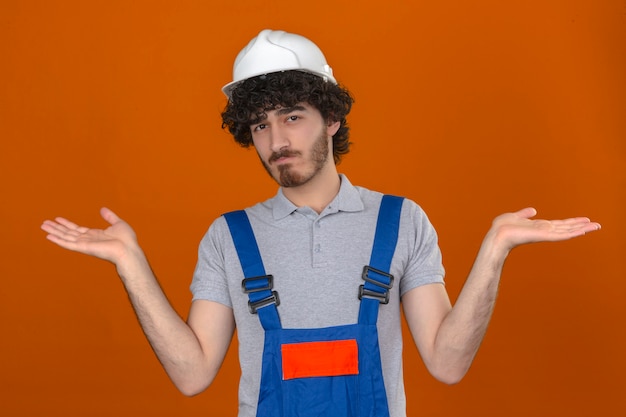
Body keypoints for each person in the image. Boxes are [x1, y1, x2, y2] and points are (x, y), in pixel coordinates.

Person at [41, 29, 601, 417]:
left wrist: (495, 248)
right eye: (259, 126)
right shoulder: (229, 236)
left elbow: (448, 364)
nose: (277, 141)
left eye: (292, 117)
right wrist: (130, 263)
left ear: (331, 119)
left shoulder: (400, 220)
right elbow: (192, 375)